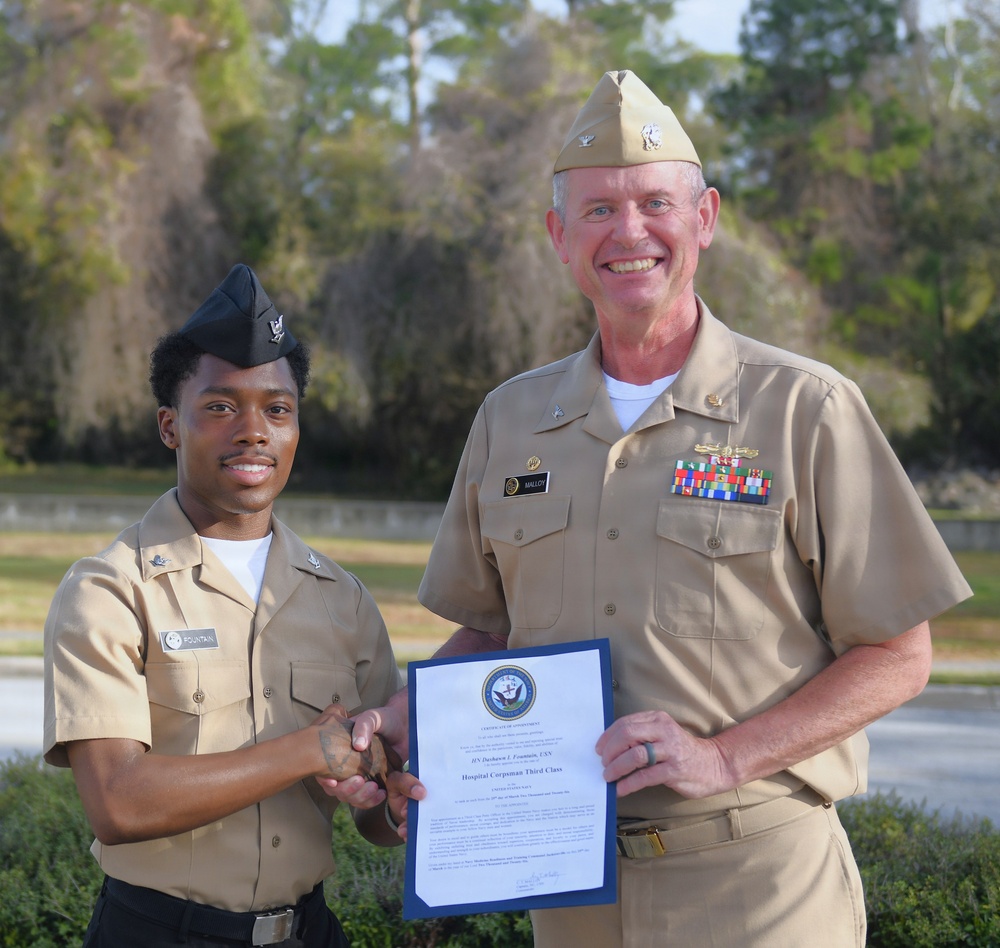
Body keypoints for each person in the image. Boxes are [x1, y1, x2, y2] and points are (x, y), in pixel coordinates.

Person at [352, 70, 974, 946]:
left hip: (759, 885)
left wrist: (724, 757)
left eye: (655, 202)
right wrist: (396, 721)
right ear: (559, 237)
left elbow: (899, 653)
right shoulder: (510, 420)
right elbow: (491, 638)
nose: (629, 231)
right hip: (569, 888)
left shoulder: (805, 408)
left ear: (706, 219)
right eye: (599, 210)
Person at [43, 264, 415, 948]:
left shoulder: (343, 600)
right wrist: (309, 749)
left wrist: (393, 806)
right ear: (169, 426)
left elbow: (371, 804)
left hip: (310, 930)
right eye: (220, 406)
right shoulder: (111, 590)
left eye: (277, 409)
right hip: (159, 934)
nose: (254, 431)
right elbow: (118, 804)